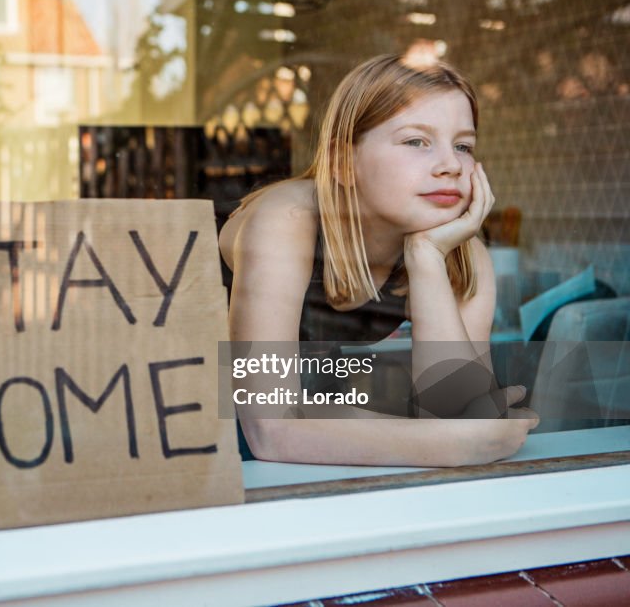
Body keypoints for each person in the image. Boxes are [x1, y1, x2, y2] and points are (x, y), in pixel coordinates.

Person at [219, 54, 539, 467]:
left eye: (463, 146)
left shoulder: (460, 251)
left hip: (320, 444)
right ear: (342, 163)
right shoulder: (288, 221)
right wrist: (455, 443)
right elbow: (269, 428)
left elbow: (455, 411)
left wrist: (426, 258)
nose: (450, 165)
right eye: (416, 141)